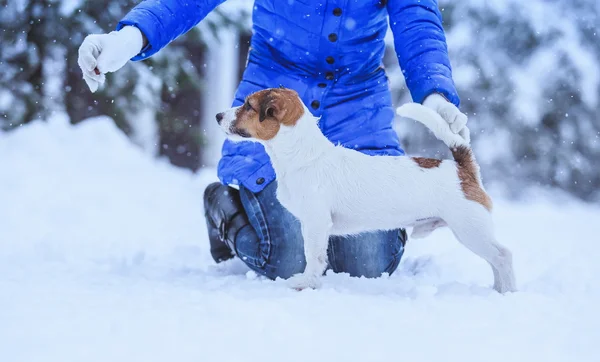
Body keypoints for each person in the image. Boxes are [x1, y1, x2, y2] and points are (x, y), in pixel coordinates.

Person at [78, 0, 467, 281]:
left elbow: (418, 18)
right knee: (288, 260)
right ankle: (223, 205)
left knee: (366, 266)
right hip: (270, 116)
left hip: (357, 120)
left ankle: (386, 235)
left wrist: (435, 93)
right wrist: (129, 38)